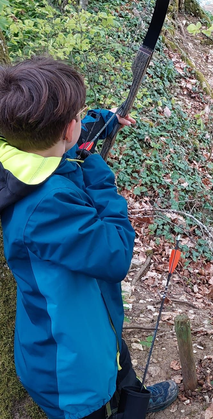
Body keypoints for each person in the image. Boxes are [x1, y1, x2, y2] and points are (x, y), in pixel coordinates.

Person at [0, 57, 178, 419]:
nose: (82, 121)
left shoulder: (17, 151)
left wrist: (100, 121)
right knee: (98, 400)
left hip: (91, 325)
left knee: (119, 362)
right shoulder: (47, 206)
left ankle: (134, 401)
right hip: (68, 369)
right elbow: (115, 254)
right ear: (68, 130)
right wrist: (98, 171)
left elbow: (53, 139)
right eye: (79, 116)